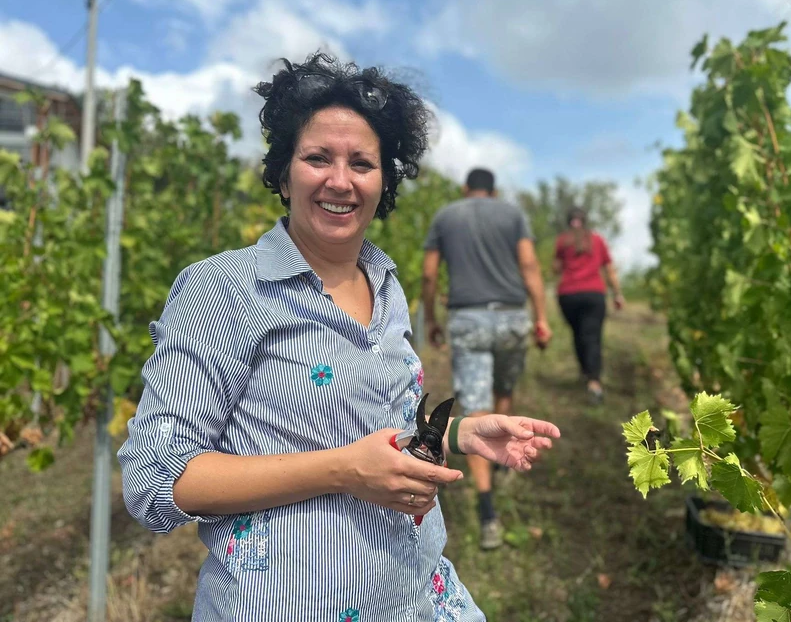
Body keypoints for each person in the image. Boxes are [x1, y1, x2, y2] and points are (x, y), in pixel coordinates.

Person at [117, 52, 560, 622]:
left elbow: (380, 431)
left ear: (384, 182)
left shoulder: (386, 284)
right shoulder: (225, 290)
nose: (341, 180)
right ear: (284, 173)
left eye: (363, 163)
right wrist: (343, 470)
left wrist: (461, 432)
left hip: (424, 598)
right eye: (317, 158)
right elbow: (153, 479)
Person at [422, 168, 551, 551]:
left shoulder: (446, 216)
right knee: (503, 390)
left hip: (468, 318)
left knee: (476, 410)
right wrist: (541, 317)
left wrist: (431, 319)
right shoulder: (512, 214)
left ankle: (487, 510)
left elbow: (429, 275)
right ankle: (500, 462)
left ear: (466, 189)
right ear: (493, 191)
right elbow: (529, 265)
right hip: (511, 317)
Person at [553, 206, 624, 404]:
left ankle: (585, 371)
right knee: (592, 336)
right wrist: (617, 293)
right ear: (585, 221)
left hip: (568, 295)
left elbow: (556, 268)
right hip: (593, 294)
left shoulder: (562, 241)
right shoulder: (597, 240)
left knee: (578, 334)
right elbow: (609, 269)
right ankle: (594, 382)